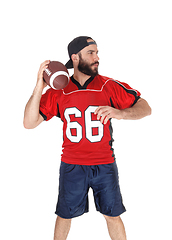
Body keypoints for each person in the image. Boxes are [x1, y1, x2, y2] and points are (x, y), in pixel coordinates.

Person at [24, 36, 151, 240]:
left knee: (112, 215)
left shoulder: (108, 85)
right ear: (75, 57)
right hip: (72, 165)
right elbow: (29, 122)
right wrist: (39, 86)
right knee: (64, 216)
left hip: (105, 164)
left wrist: (121, 113)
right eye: (91, 52)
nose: (97, 57)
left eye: (97, 52)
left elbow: (145, 107)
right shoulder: (59, 91)